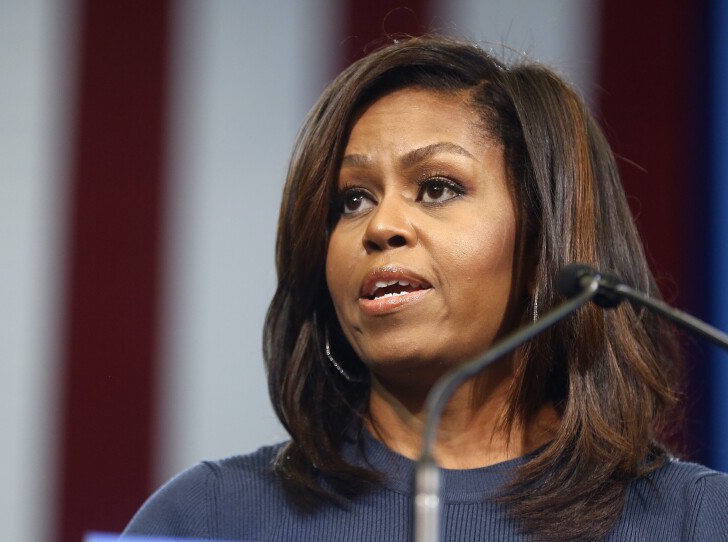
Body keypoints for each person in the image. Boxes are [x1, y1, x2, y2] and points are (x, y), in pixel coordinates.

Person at [123, 36, 728, 541]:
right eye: (351, 199)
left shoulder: (691, 522)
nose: (381, 226)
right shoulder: (210, 517)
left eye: (437, 188)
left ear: (549, 235)